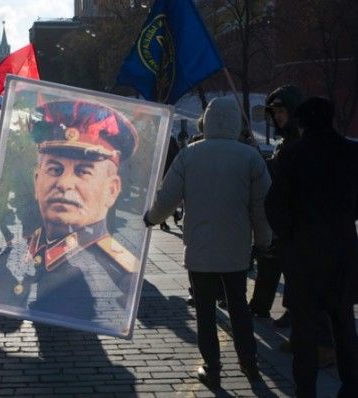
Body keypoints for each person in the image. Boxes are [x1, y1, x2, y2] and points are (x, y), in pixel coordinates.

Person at [144, 97, 272, 390]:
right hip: (237, 249)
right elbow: (262, 206)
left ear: (206, 121)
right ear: (237, 124)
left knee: (204, 311)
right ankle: (250, 364)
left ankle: (212, 369)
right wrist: (264, 240)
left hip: (200, 248)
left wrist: (152, 218)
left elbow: (167, 197)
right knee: (238, 306)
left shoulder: (189, 155)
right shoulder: (250, 157)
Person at [0, 100, 140, 325]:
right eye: (55, 169)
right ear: (37, 181)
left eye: (83, 171)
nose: (64, 184)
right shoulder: (21, 249)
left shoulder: (123, 270)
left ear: (111, 190)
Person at [265, 97, 358, 397]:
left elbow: (274, 206)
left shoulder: (290, 156)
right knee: (343, 323)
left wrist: (289, 235)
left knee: (304, 329)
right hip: (342, 251)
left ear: (303, 124)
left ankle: (306, 389)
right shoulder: (352, 152)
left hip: (303, 254)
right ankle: (351, 384)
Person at [249, 84, 303, 326]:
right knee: (269, 260)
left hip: (295, 218)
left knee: (293, 268)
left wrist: (271, 166)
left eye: (282, 111)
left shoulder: (301, 140)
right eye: (275, 112)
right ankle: (260, 305)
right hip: (279, 215)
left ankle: (294, 311)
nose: (278, 117)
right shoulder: (285, 142)